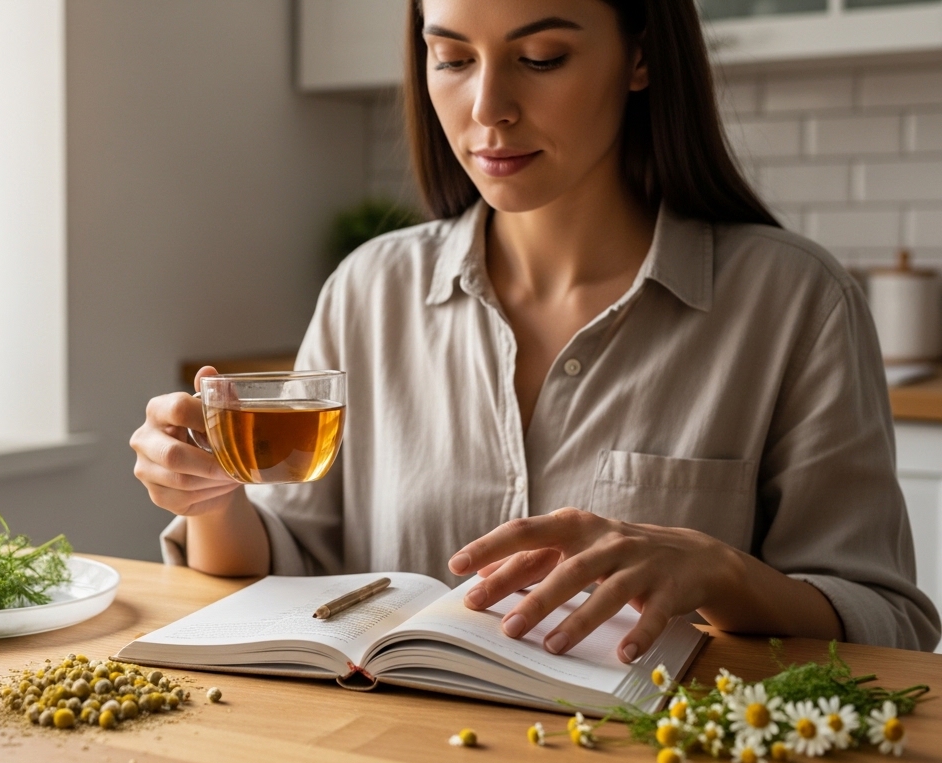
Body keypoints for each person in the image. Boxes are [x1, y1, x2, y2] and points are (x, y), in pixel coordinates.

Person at [130, 0, 941, 656]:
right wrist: (211, 500)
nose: (488, 108)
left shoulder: (795, 300)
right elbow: (286, 563)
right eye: (452, 59)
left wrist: (721, 574)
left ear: (640, 57)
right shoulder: (369, 289)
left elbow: (888, 623)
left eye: (542, 57)